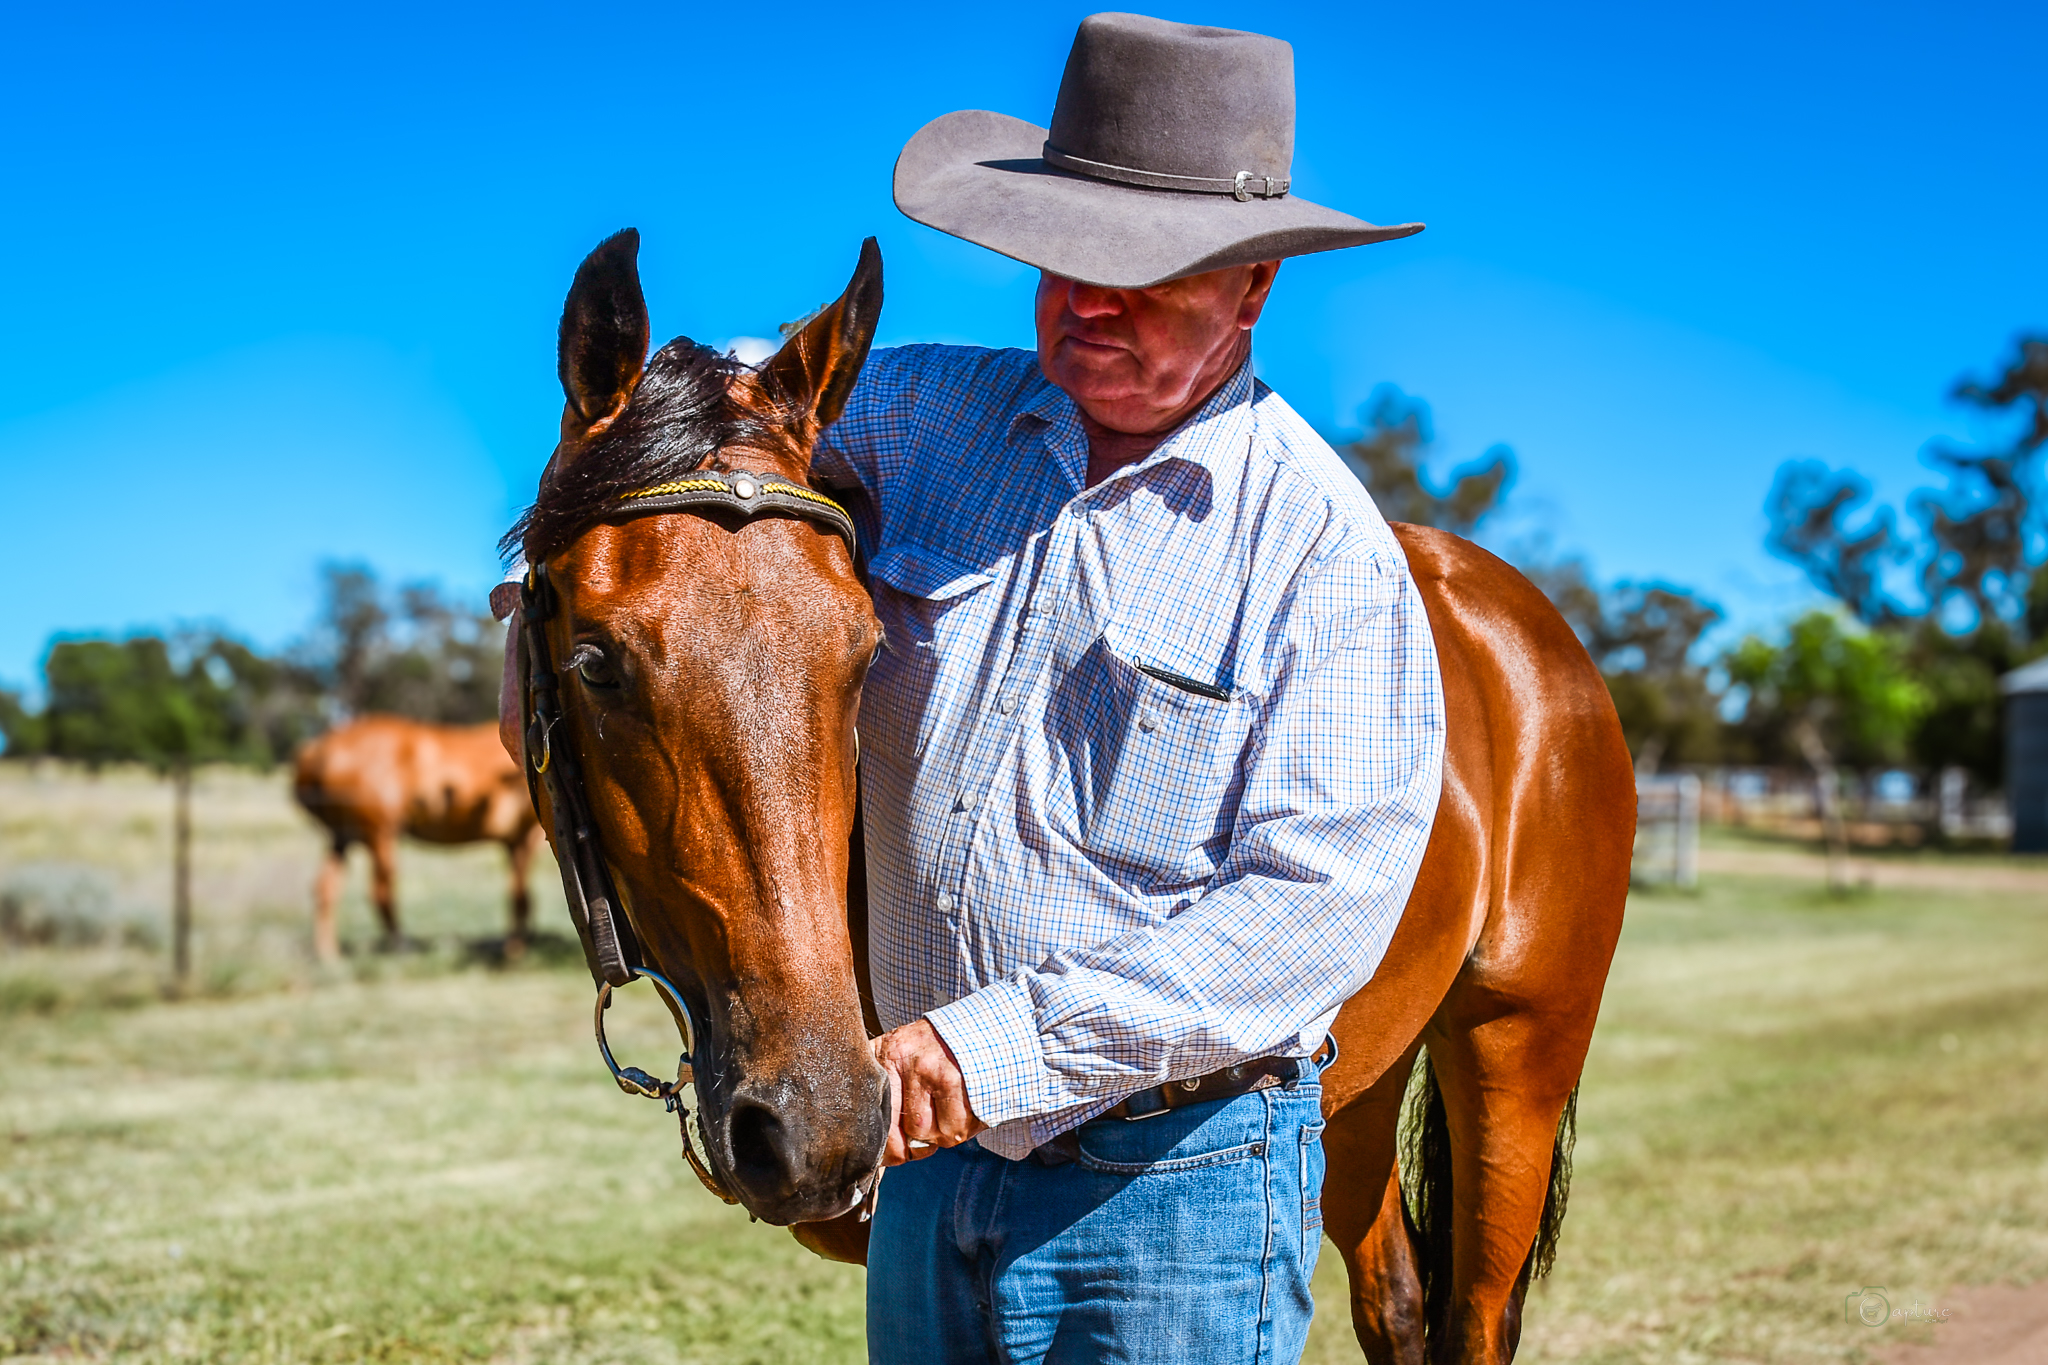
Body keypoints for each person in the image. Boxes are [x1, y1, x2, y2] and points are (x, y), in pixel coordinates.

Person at [503, 14, 1445, 1363]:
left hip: (1174, 1188)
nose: (1091, 303)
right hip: (931, 1176)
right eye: (1067, 258)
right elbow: (708, 421)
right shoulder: (923, 415)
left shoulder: (1319, 552)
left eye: (1150, 274)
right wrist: (575, 533)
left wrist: (989, 1050)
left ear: (1253, 288)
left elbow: (1309, 915)